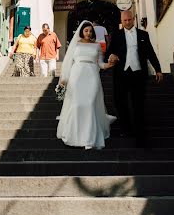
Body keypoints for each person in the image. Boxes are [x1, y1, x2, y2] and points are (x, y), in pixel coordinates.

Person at [105, 10, 163, 147]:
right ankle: (126, 128)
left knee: (139, 103)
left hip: (138, 74)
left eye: (129, 20)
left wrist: (158, 69)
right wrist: (111, 55)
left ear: (133, 19)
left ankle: (140, 132)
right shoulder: (117, 35)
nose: (127, 22)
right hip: (121, 74)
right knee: (120, 102)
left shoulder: (143, 34)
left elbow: (150, 52)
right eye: (124, 21)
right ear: (121, 21)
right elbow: (109, 51)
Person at [56, 21, 117, 149]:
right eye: (86, 31)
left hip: (92, 75)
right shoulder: (75, 45)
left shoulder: (97, 46)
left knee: (89, 104)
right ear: (81, 32)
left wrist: (109, 65)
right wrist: (64, 80)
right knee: (77, 104)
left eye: (90, 31)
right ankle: (75, 135)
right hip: (77, 76)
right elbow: (68, 63)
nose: (88, 33)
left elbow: (100, 63)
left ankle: (89, 138)